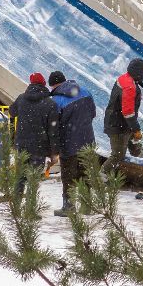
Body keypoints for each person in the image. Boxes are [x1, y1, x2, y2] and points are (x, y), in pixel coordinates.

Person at [47, 71, 97, 217]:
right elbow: (93, 113)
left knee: (68, 176)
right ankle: (86, 206)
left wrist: (54, 150)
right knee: (84, 174)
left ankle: (68, 206)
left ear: (53, 85)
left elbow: (54, 127)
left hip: (68, 144)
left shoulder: (56, 100)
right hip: (87, 140)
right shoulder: (86, 92)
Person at [7, 73, 50, 203]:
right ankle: (30, 208)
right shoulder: (47, 101)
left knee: (20, 176)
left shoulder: (21, 98)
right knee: (34, 177)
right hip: (39, 146)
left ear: (30, 83)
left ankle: (16, 204)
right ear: (43, 83)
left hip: (22, 144)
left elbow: (12, 112)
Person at [104, 57, 143, 170]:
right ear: (138, 74)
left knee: (135, 145)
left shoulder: (125, 78)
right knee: (118, 155)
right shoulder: (130, 87)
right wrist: (136, 129)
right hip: (118, 126)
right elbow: (128, 112)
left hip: (122, 123)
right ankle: (101, 177)